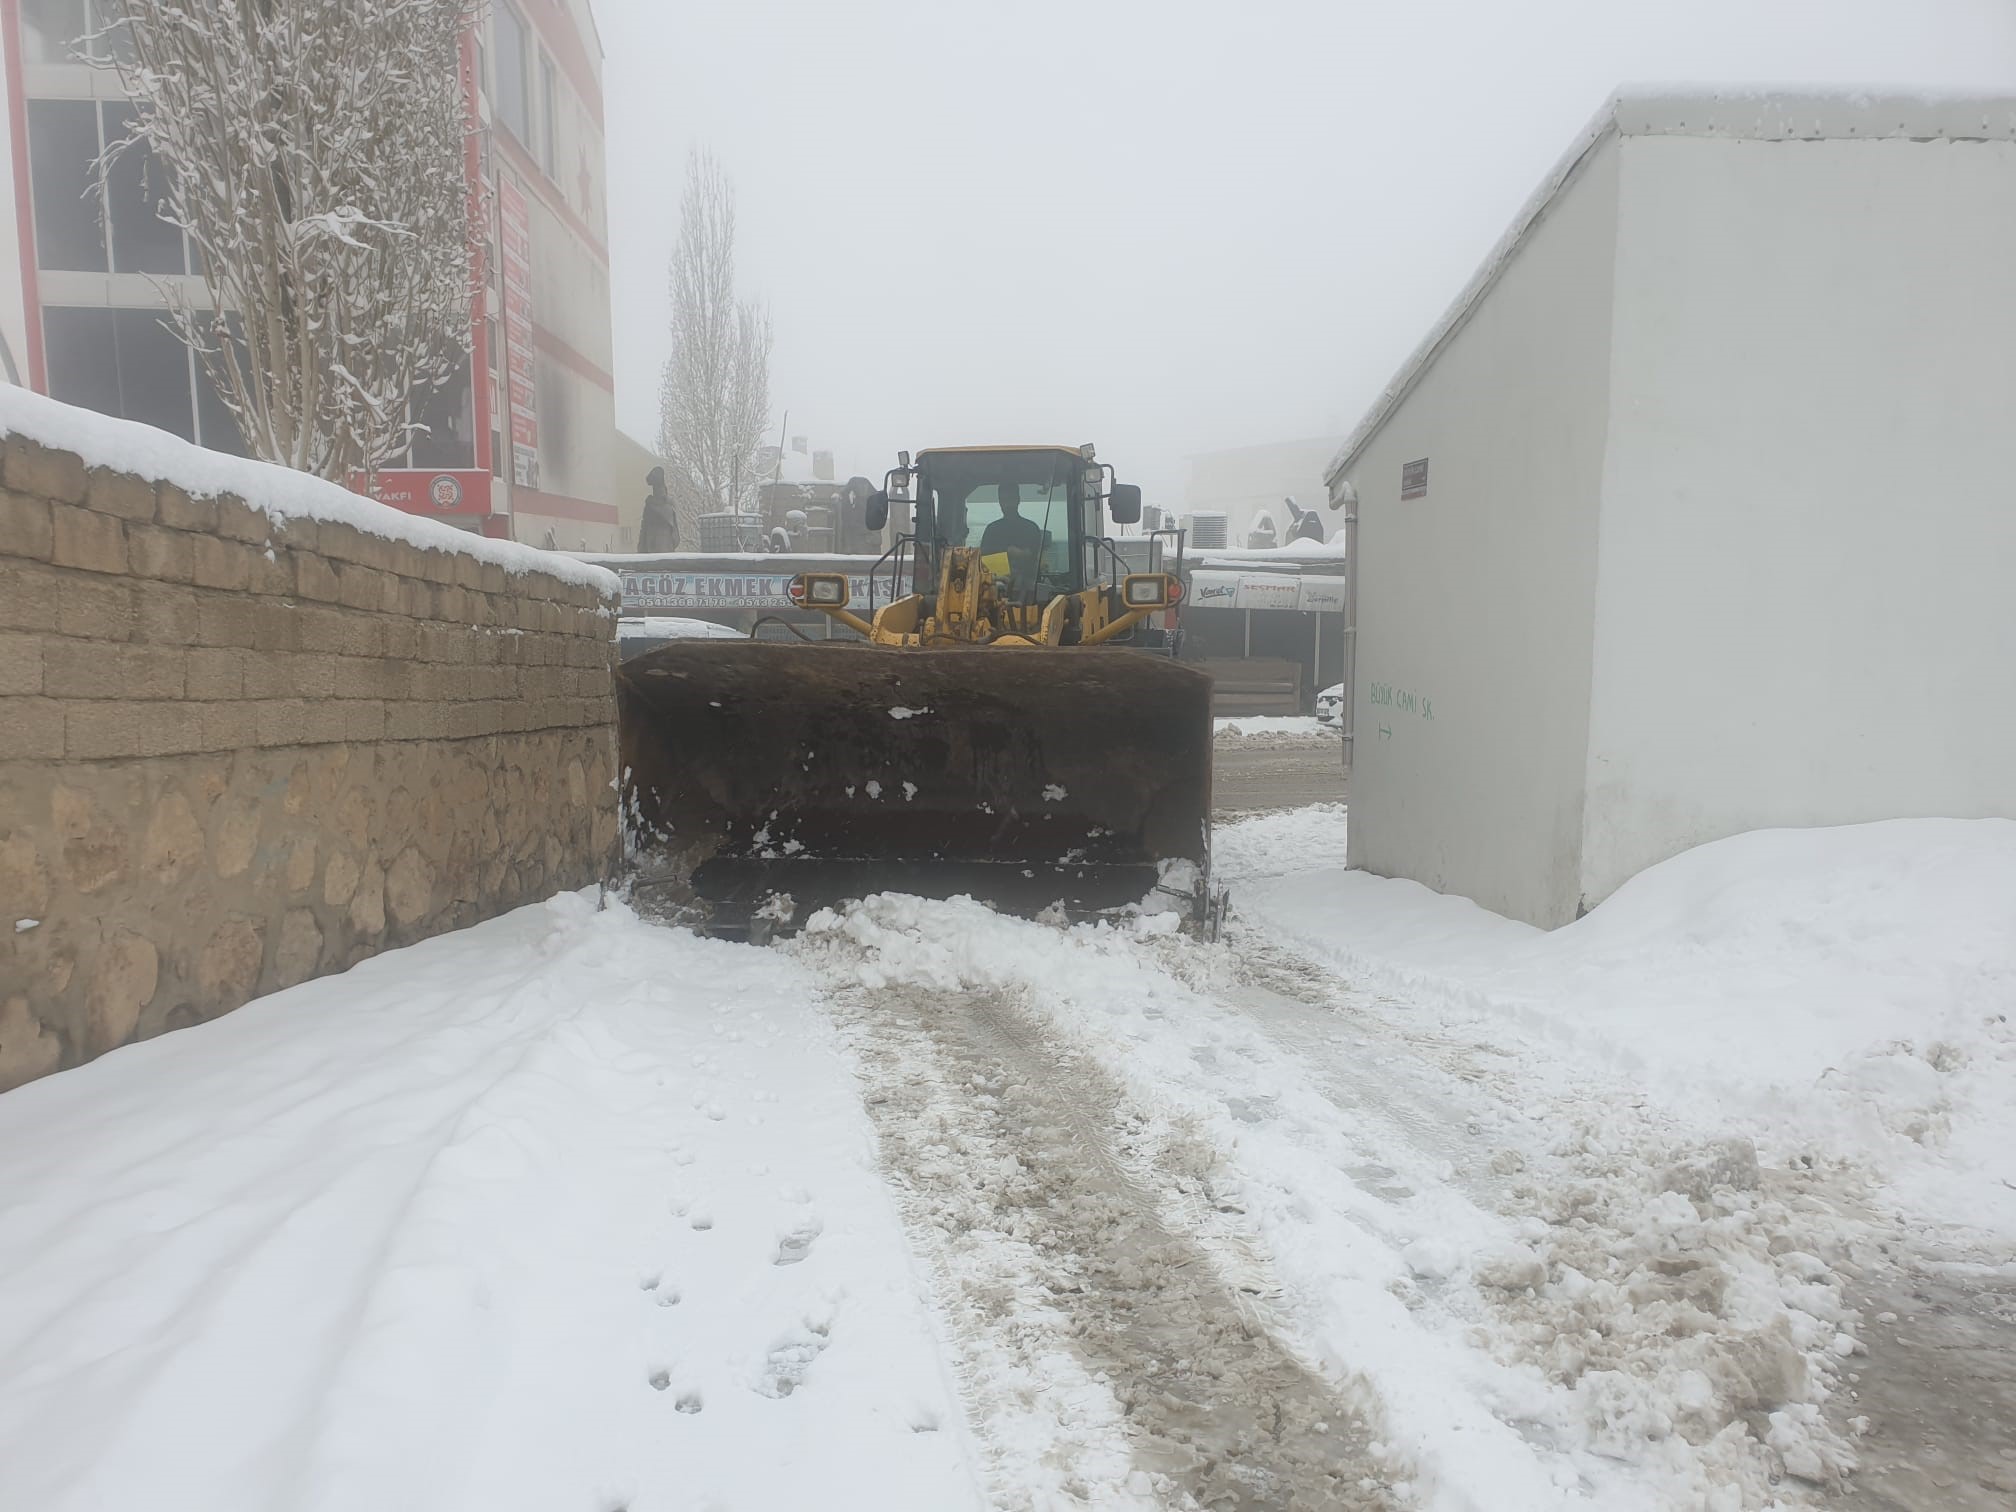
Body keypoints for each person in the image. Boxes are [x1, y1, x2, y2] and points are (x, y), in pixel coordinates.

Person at [978, 483, 1046, 595]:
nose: (1007, 504)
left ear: (1018, 500)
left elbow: (1035, 557)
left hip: (1028, 593)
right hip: (993, 591)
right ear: (999, 502)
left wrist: (1016, 554)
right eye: (1003, 500)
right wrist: (1010, 552)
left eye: (1010, 499)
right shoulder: (991, 530)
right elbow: (982, 561)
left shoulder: (1031, 529)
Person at [638, 467, 680, 553]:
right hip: (666, 554)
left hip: (651, 552)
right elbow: (676, 538)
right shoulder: (669, 507)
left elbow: (643, 533)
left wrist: (641, 550)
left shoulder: (650, 507)